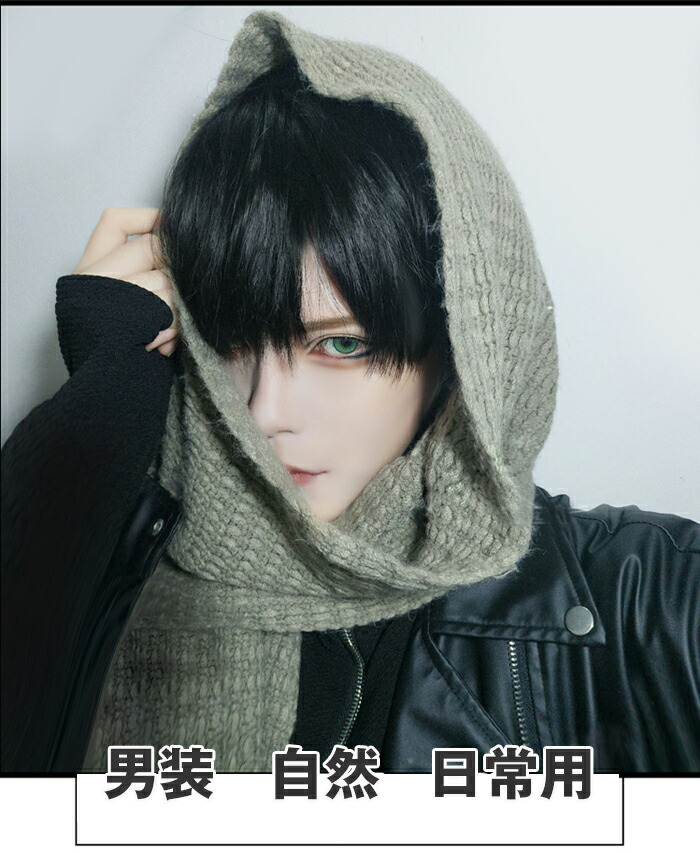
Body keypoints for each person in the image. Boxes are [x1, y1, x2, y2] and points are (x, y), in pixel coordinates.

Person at [2, 11, 698, 775]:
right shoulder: (114, 564)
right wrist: (98, 414)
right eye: (226, 343)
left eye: (342, 344)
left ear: (460, 349)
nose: (264, 414)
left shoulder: (647, 598)